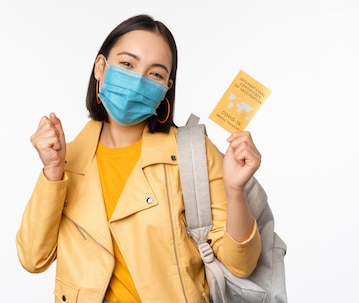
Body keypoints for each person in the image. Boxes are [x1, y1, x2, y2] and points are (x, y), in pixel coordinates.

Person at [16, 14, 262, 303]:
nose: (137, 81)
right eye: (127, 64)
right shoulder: (66, 160)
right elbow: (33, 259)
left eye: (155, 74)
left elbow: (240, 265)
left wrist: (235, 191)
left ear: (167, 87)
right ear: (100, 68)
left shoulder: (194, 153)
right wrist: (53, 171)